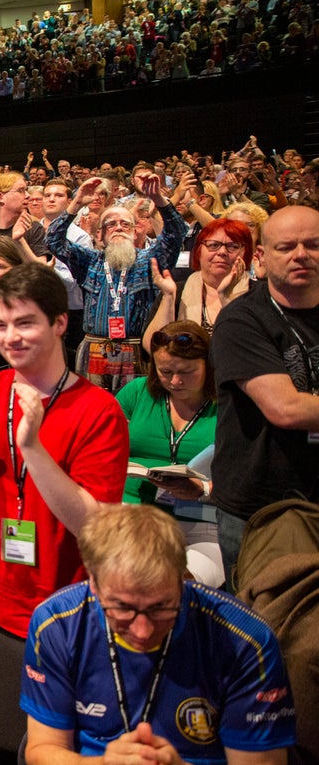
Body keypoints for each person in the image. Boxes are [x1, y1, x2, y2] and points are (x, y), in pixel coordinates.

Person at [0, 263, 128, 638]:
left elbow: (94, 525)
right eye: (1, 326)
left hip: (57, 608)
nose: (10, 337)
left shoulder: (99, 410)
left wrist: (32, 448)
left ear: (60, 324)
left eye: (25, 323)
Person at [21, 505, 295, 765]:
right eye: (122, 608)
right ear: (93, 582)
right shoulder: (57, 624)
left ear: (183, 579)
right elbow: (43, 749)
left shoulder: (245, 641)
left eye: (161, 607)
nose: (143, 631)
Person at [209, 205, 319, 587]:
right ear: (261, 257)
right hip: (261, 508)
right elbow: (285, 408)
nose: (301, 255)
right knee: (264, 632)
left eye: (313, 245)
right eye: (287, 246)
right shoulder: (242, 319)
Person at [47, 173, 183, 394]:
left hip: (137, 350)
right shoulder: (89, 261)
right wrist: (77, 202)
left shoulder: (149, 260)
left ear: (134, 230)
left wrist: (157, 198)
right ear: (99, 235)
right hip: (95, 349)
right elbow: (53, 239)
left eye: (125, 224)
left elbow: (175, 233)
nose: (118, 227)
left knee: (135, 415)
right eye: (110, 224)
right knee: (94, 416)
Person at [115, 321, 222, 586]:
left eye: (187, 372)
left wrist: (204, 489)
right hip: (133, 514)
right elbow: (99, 449)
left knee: (179, 585)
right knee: (130, 580)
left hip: (202, 523)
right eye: (165, 371)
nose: (175, 381)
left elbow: (248, 475)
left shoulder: (227, 403)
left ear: (207, 366)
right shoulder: (137, 393)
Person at [143, 218, 252, 350]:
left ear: (246, 252)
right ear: (199, 251)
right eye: (213, 245)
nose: (222, 252)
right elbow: (152, 348)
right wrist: (168, 298)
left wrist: (226, 298)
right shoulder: (177, 291)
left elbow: (256, 348)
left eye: (233, 246)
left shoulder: (261, 295)